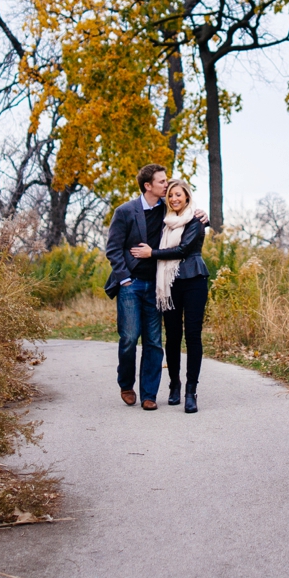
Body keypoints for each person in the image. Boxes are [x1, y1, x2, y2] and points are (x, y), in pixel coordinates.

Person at [104, 165, 206, 410]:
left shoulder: (167, 210)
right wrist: (124, 278)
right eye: (162, 181)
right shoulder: (126, 211)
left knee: (153, 341)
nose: (167, 185)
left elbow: (186, 221)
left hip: (158, 286)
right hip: (131, 283)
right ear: (147, 185)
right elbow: (113, 249)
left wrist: (203, 215)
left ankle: (149, 394)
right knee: (129, 337)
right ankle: (126, 384)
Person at [131, 180, 208, 414]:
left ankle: (191, 392)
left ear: (187, 197)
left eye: (179, 195)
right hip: (170, 285)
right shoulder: (166, 223)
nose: (174, 199)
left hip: (194, 281)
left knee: (193, 336)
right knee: (173, 337)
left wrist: (151, 253)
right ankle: (174, 385)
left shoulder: (195, 221)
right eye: (171, 195)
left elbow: (183, 249)